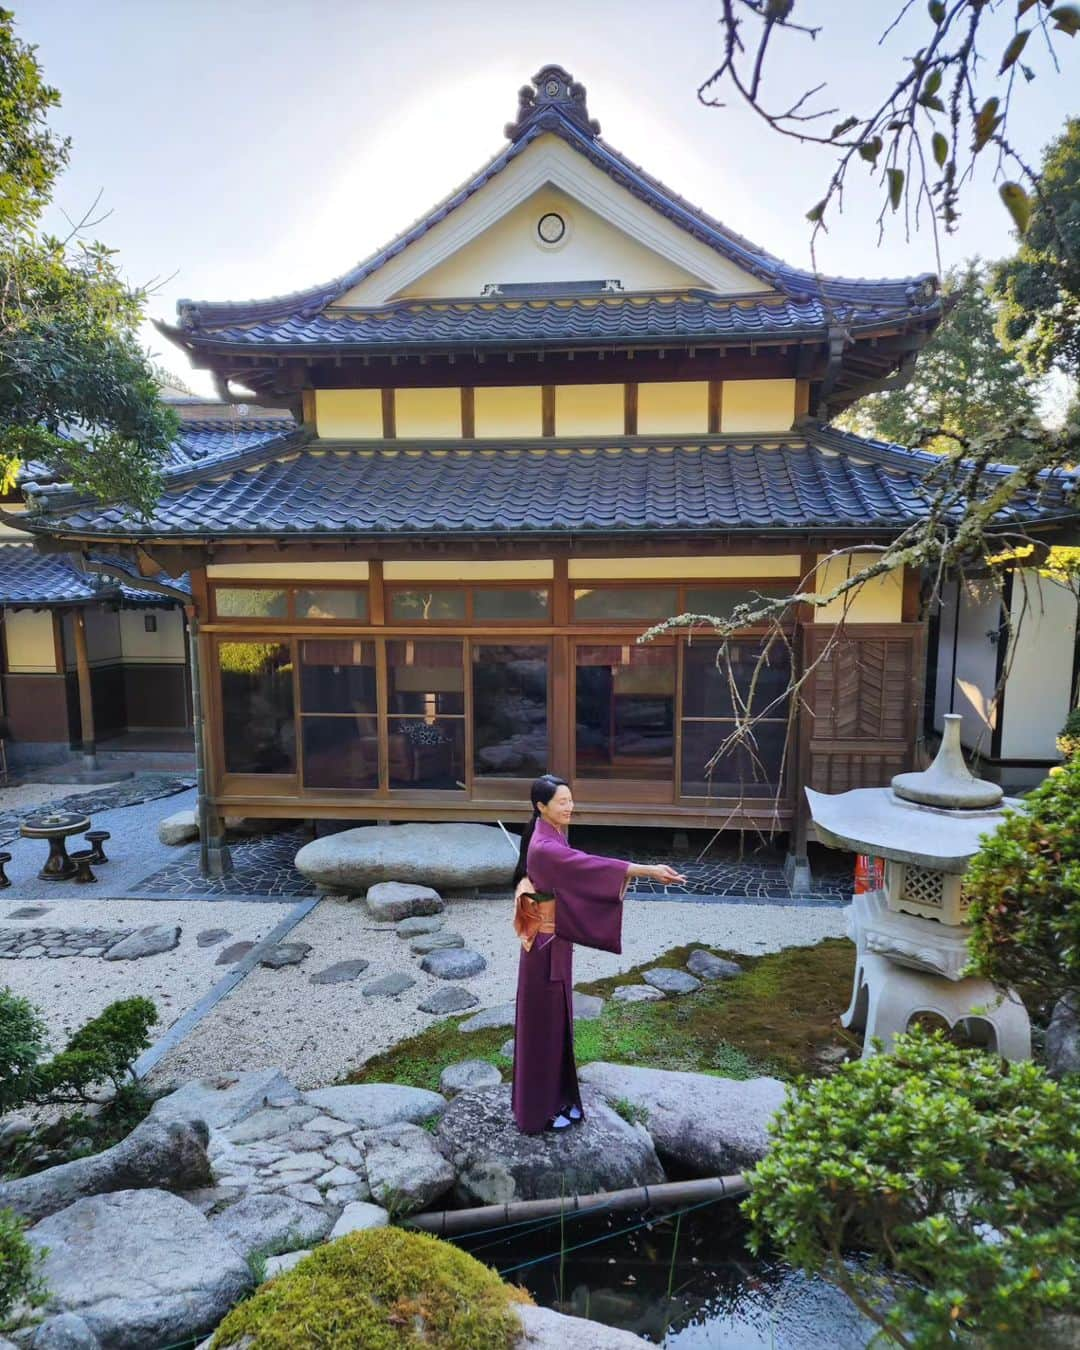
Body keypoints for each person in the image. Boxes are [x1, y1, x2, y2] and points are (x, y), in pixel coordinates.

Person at [510, 774, 686, 1134]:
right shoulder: (545, 846)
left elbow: (576, 869)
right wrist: (647, 870)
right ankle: (536, 1113)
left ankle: (559, 1100)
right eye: (562, 802)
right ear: (541, 807)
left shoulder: (551, 834)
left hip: (552, 942)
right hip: (543, 949)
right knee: (543, 1028)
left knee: (558, 1024)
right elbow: (587, 866)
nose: (570, 806)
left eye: (571, 799)